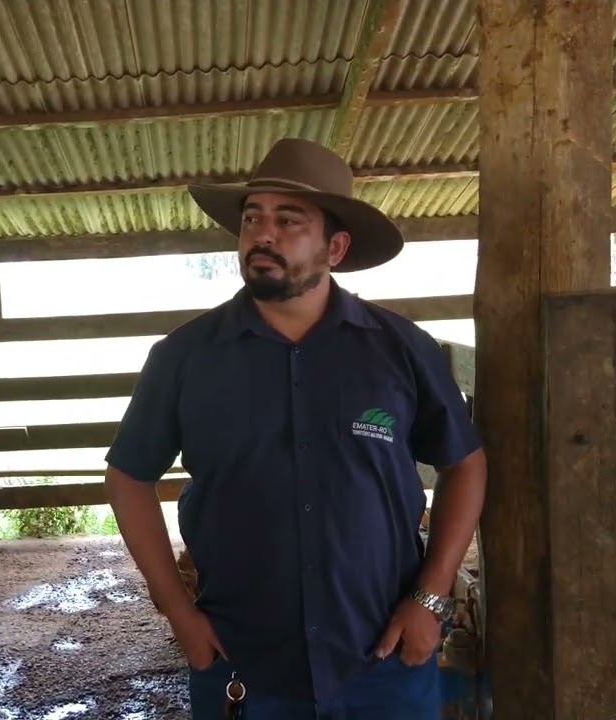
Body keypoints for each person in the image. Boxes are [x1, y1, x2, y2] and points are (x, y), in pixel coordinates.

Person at [103, 138, 486, 719]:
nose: (263, 234)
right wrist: (177, 611)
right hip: (242, 664)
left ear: (335, 246)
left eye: (288, 221)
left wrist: (429, 599)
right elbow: (128, 477)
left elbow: (465, 463)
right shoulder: (184, 358)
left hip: (385, 660)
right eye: (252, 218)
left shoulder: (401, 350)